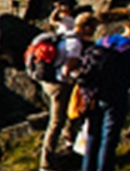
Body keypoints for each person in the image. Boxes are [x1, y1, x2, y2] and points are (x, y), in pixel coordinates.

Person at [80, 15, 130, 171]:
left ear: (125, 25)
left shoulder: (104, 40)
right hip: (116, 92)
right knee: (109, 137)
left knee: (92, 134)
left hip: (93, 92)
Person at [39, 12, 96, 171]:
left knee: (64, 117)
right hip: (59, 84)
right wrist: (77, 74)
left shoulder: (64, 35)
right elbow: (66, 70)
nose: (92, 34)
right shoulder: (75, 44)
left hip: (47, 81)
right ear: (86, 27)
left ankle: (68, 144)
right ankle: (46, 163)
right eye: (92, 29)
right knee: (56, 122)